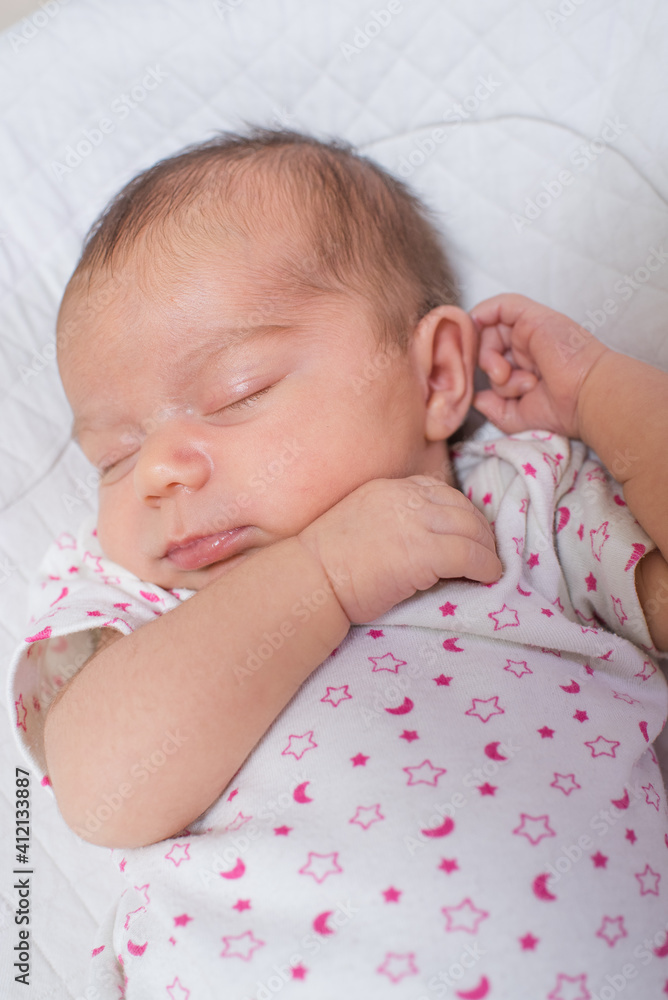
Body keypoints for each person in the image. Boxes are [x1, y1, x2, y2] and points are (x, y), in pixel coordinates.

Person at [7, 127, 668, 1000]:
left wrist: (600, 395)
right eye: (116, 456)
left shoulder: (520, 506)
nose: (160, 471)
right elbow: (101, 790)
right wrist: (317, 577)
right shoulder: (129, 595)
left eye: (238, 393)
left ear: (435, 375)